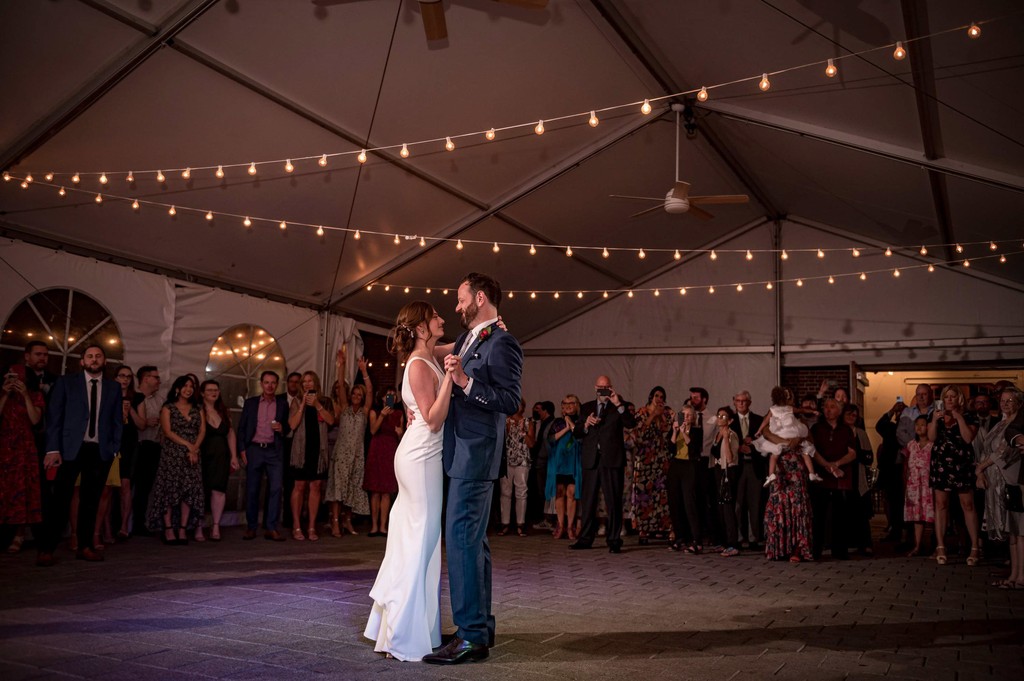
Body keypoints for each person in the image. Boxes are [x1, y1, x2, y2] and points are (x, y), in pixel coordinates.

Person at [422, 273, 522, 665]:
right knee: (473, 544)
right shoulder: (470, 338)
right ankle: (477, 628)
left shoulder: (503, 342)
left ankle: (470, 636)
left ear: (480, 298)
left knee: (462, 542)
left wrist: (464, 382)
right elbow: (430, 349)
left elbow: (511, 400)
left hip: (476, 457)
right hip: (462, 453)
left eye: (461, 300)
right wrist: (413, 330)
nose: (457, 307)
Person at [365, 302, 455, 661]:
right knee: (420, 543)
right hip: (420, 457)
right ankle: (403, 635)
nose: (442, 319)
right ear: (420, 328)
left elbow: (460, 346)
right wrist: (451, 377)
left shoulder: (429, 354)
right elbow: (433, 419)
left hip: (425, 457)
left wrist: (489, 329)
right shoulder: (419, 365)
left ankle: (416, 630)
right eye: (435, 317)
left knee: (422, 544)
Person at [39, 344, 123, 565]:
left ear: (104, 361)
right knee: (60, 500)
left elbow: (116, 421)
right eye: (90, 356)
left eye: (98, 356)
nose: (94, 360)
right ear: (82, 361)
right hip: (69, 450)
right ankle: (47, 549)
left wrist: (114, 447)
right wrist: (52, 449)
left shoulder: (113, 387)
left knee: (91, 501)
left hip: (100, 450)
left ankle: (85, 546)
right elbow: (54, 418)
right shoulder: (67, 383)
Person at [570, 375, 636, 554]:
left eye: (606, 387)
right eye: (600, 387)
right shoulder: (586, 407)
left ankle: (614, 539)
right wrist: (585, 424)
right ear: (595, 388)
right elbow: (577, 432)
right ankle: (585, 538)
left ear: (611, 388)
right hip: (591, 459)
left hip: (611, 459)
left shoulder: (618, 407)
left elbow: (631, 424)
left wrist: (618, 404)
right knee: (588, 500)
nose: (603, 390)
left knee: (613, 500)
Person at [147, 375, 205, 545]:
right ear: (177, 388)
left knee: (189, 491)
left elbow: (202, 431)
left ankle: (182, 528)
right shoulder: (168, 407)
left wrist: (194, 448)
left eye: (191, 386)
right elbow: (167, 431)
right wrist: (188, 445)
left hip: (192, 454)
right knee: (170, 490)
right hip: (173, 453)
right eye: (185, 386)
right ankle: (168, 529)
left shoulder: (197, 408)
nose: (188, 389)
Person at [761, 387, 814, 563]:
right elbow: (765, 432)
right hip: (780, 467)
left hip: (797, 468)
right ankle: (779, 548)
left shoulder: (800, 425)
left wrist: (798, 440)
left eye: (790, 396)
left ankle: (797, 548)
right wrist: (787, 442)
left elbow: (809, 444)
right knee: (779, 505)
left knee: (798, 507)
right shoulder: (773, 418)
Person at [928, 385, 980, 566]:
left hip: (962, 465)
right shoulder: (936, 416)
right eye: (946, 397)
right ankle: (941, 546)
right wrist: (934, 421)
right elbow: (931, 438)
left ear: (959, 399)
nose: (949, 399)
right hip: (941, 465)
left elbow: (968, 438)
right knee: (941, 504)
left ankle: (974, 547)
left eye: (953, 396)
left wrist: (958, 418)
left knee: (968, 504)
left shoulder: (968, 416)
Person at [237, 371, 290, 541]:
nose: (270, 386)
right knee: (252, 489)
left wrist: (282, 429)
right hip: (254, 449)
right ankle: (251, 527)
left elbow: (287, 428)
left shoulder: (282, 404)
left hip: (274, 451)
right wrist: (242, 450)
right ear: (261, 383)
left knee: (275, 489)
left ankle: (271, 527)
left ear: (277, 384)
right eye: (266, 382)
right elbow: (242, 428)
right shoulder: (251, 403)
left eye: (273, 383)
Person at [326, 351, 372, 537]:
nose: (355, 396)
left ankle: (347, 520)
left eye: (358, 394)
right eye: (354, 393)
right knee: (338, 488)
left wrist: (364, 372)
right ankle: (335, 521)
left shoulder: (364, 412)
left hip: (357, 455)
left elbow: (369, 390)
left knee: (352, 489)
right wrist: (341, 366)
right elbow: (341, 389)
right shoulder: (344, 409)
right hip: (342, 454)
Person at [981, 387, 1023, 588]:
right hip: (997, 480)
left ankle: (1020, 576)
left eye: (1010, 401)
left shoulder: (1017, 424)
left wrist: (980, 467)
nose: (1005, 404)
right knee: (1011, 531)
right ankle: (1014, 575)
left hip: (1012, 477)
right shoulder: (1000, 424)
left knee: (1018, 529)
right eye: (1002, 401)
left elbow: (1004, 452)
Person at [1, 363, 44, 554]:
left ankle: (19, 535)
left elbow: (35, 419)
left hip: (24, 447)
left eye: (17, 376)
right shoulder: (4, 395)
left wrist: (25, 395)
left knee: (22, 489)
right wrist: (3, 394)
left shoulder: (35, 395)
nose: (13, 379)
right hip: (3, 446)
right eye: (10, 375)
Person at [286, 371, 334, 541]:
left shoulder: (325, 401)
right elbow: (292, 424)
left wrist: (317, 405)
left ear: (316, 383)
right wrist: (302, 406)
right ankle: (296, 526)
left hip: (318, 450)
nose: (307, 384)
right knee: (299, 486)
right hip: (301, 451)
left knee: (315, 486)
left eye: (310, 381)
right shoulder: (297, 401)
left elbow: (331, 421)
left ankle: (311, 527)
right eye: (304, 382)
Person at [809, 398, 857, 561]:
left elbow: (852, 453)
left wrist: (836, 464)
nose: (828, 410)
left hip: (840, 478)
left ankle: (840, 551)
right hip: (821, 477)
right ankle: (816, 550)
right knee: (818, 515)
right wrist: (827, 466)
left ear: (839, 410)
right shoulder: (816, 428)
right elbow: (812, 451)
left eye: (832, 407)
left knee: (840, 515)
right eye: (826, 407)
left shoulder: (846, 430)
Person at [630, 386, 674, 545]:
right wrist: (652, 416)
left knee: (662, 495)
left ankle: (666, 528)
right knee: (644, 494)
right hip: (645, 460)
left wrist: (661, 417)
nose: (659, 399)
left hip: (661, 459)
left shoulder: (667, 413)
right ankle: (643, 529)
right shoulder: (641, 413)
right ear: (651, 396)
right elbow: (638, 435)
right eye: (656, 395)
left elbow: (669, 434)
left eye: (662, 396)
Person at [754, 388, 821, 487]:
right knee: (805, 452)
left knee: (774, 455)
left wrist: (759, 430)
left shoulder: (773, 409)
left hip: (780, 433)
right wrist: (813, 411)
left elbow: (765, 422)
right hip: (792, 433)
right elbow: (802, 410)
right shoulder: (789, 408)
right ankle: (811, 473)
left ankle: (771, 474)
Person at [199, 380, 237, 541]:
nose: (214, 393)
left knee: (219, 490)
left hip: (221, 456)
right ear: (202, 393)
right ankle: (198, 526)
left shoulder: (223, 410)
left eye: (216, 390)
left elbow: (230, 433)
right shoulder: (198, 410)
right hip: (203, 455)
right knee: (200, 491)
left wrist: (234, 455)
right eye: (209, 390)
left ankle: (215, 526)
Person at [365, 387, 403, 537]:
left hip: (391, 451)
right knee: (375, 490)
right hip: (377, 449)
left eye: (394, 395)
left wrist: (400, 434)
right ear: (382, 398)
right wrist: (382, 415)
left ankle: (383, 526)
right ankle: (374, 526)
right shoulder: (374, 412)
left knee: (387, 491)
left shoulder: (399, 414)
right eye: (388, 395)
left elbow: (401, 436)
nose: (391, 397)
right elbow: (373, 431)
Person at [731, 391, 765, 550]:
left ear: (749, 403)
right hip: (736, 467)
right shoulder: (729, 421)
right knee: (737, 504)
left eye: (744, 401)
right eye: (738, 401)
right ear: (734, 402)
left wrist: (753, 447)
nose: (741, 403)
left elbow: (765, 443)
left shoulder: (759, 420)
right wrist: (738, 448)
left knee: (754, 504)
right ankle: (737, 537)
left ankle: (754, 538)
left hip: (754, 466)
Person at [546, 395, 582, 540]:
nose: (567, 406)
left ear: (577, 405)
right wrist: (566, 428)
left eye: (571, 403)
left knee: (572, 492)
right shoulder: (557, 422)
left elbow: (580, 437)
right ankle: (560, 525)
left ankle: (570, 526)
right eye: (564, 403)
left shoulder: (581, 421)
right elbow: (550, 439)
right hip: (559, 463)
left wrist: (571, 424)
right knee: (559, 492)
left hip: (574, 463)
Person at [132, 366, 162, 536]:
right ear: (145, 379)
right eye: (155, 377)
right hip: (136, 445)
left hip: (153, 446)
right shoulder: (134, 398)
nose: (159, 381)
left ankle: (139, 523)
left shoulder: (160, 400)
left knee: (145, 488)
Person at [667, 405, 702, 552]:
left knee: (689, 503)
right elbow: (670, 447)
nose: (686, 418)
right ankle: (679, 538)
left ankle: (696, 540)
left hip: (689, 466)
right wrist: (675, 432)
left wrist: (684, 432)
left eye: (689, 415)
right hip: (676, 465)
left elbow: (693, 447)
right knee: (675, 502)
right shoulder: (675, 428)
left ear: (693, 417)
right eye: (683, 414)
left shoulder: (697, 430)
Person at [113, 366, 141, 542]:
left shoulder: (137, 398)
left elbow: (142, 424)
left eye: (128, 377)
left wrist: (130, 409)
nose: (125, 380)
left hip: (129, 444)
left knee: (125, 485)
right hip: (111, 443)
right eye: (121, 376)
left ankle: (124, 526)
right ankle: (106, 528)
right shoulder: (108, 394)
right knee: (106, 489)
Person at [498, 398, 530, 537]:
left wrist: (524, 431)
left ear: (523, 407)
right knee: (505, 492)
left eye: (519, 404)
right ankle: (505, 524)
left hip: (522, 459)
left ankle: (520, 524)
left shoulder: (528, 422)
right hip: (507, 460)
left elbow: (532, 443)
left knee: (521, 492)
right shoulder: (505, 421)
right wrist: (508, 427)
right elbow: (500, 439)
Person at [711, 406, 741, 556]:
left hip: (729, 471)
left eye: (724, 416)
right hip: (718, 470)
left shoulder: (731, 435)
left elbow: (730, 458)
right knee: (721, 508)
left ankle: (733, 544)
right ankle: (723, 541)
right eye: (719, 415)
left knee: (728, 508)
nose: (720, 418)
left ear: (730, 420)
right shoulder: (717, 434)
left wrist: (726, 439)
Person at [903, 415, 934, 557]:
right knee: (917, 516)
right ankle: (917, 545)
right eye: (917, 425)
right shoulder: (910, 445)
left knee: (930, 515)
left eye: (923, 424)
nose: (920, 427)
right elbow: (906, 466)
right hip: (914, 485)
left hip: (928, 485)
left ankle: (933, 545)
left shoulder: (933, 445)